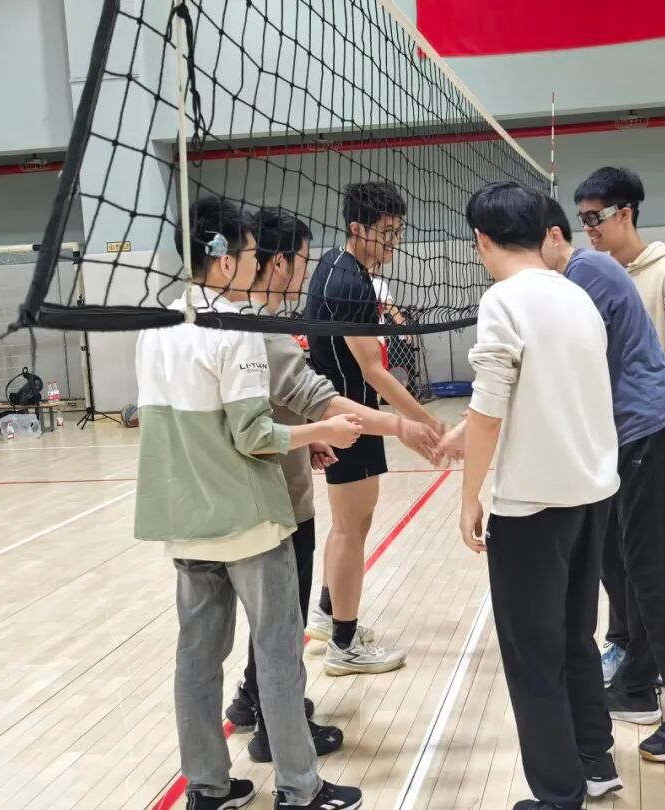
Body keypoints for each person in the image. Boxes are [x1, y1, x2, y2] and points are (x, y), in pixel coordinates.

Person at [134, 196, 362, 810]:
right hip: (249, 521)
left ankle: (208, 788)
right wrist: (322, 431)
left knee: (197, 660)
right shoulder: (237, 328)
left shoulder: (156, 323)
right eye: (253, 254)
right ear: (226, 260)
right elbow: (255, 436)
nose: (258, 264)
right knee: (279, 653)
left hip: (184, 518)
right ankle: (300, 787)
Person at [223, 207, 441, 762]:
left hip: (272, 473)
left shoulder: (233, 321)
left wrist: (305, 435)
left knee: (273, 612)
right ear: (277, 262)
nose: (305, 266)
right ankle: (286, 717)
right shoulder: (268, 328)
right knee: (286, 613)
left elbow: (272, 402)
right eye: (299, 257)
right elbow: (327, 392)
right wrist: (409, 426)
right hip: (290, 482)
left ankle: (252, 699)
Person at [439, 181, 622, 809]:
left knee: (532, 658)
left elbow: (491, 407)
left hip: (533, 511)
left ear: (482, 240)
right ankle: (595, 764)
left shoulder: (503, 300)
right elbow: (543, 391)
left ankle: (557, 795)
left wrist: (469, 496)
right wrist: (469, 430)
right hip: (592, 497)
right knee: (576, 639)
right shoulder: (576, 294)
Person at [542, 196, 665, 763]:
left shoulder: (586, 274)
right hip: (634, 435)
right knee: (629, 564)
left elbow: (564, 372)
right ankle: (636, 684)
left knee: (656, 572)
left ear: (552, 237)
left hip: (654, 429)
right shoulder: (581, 274)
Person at [303, 181, 445, 675]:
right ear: (357, 228)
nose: (394, 242)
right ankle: (343, 644)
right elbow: (374, 370)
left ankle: (327, 615)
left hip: (342, 411)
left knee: (353, 524)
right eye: (386, 232)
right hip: (352, 419)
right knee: (350, 528)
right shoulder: (352, 285)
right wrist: (424, 420)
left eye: (397, 231)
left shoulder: (334, 264)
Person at [573, 167, 665, 683]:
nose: (588, 228)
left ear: (625, 213)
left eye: (596, 217)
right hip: (609, 438)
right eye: (582, 219)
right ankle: (625, 641)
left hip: (654, 434)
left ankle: (660, 662)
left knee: (659, 556)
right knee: (613, 551)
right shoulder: (595, 274)